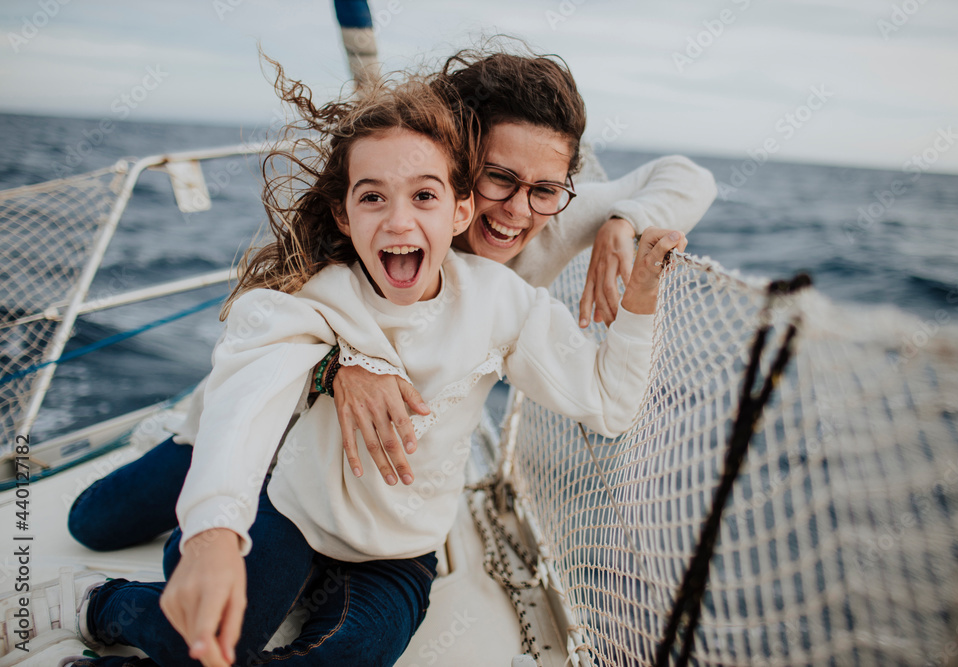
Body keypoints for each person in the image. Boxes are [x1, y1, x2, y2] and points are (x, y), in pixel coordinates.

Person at [55, 63, 678, 667]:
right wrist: (216, 532)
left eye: (425, 196)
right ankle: (105, 601)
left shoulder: (503, 299)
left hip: (396, 551)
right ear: (343, 214)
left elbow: (610, 403)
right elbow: (247, 395)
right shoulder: (316, 298)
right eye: (374, 197)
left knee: (350, 652)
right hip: (293, 507)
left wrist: (639, 297)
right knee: (151, 573)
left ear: (456, 209)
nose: (401, 218)